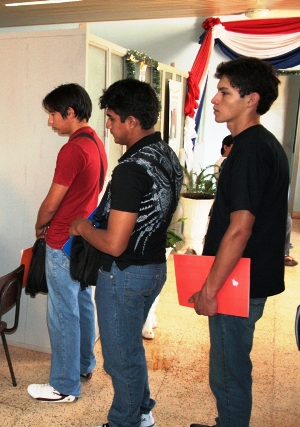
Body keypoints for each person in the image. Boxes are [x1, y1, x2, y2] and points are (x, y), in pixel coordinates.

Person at [70, 78, 183, 427]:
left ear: (131, 121)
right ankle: (142, 410)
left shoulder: (131, 169)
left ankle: (126, 421)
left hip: (125, 275)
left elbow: (114, 243)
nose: (108, 124)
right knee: (130, 347)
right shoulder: (164, 154)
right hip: (153, 268)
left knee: (120, 357)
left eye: (112, 118)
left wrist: (82, 227)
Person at [188, 57, 288, 427]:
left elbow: (239, 229)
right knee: (230, 364)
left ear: (251, 99)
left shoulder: (249, 150)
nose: (214, 99)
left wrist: (210, 289)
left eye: (224, 92)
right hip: (244, 276)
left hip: (238, 282)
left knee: (228, 370)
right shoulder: (260, 145)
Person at [27, 83, 107, 403]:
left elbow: (52, 202)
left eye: (53, 114)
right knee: (82, 303)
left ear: (70, 112)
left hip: (62, 239)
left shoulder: (73, 149)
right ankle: (84, 365)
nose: (50, 121)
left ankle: (63, 385)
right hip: (83, 239)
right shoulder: (96, 143)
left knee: (63, 313)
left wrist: (39, 224)